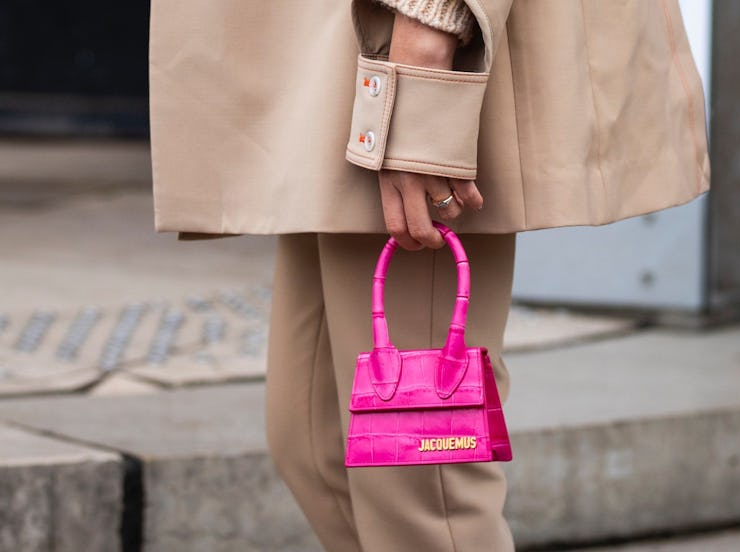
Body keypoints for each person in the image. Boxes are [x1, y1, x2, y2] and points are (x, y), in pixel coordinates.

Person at [149, 1, 710, 550]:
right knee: (314, 450)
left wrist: (418, 75)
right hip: (330, 63)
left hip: (401, 47)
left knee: (422, 491)